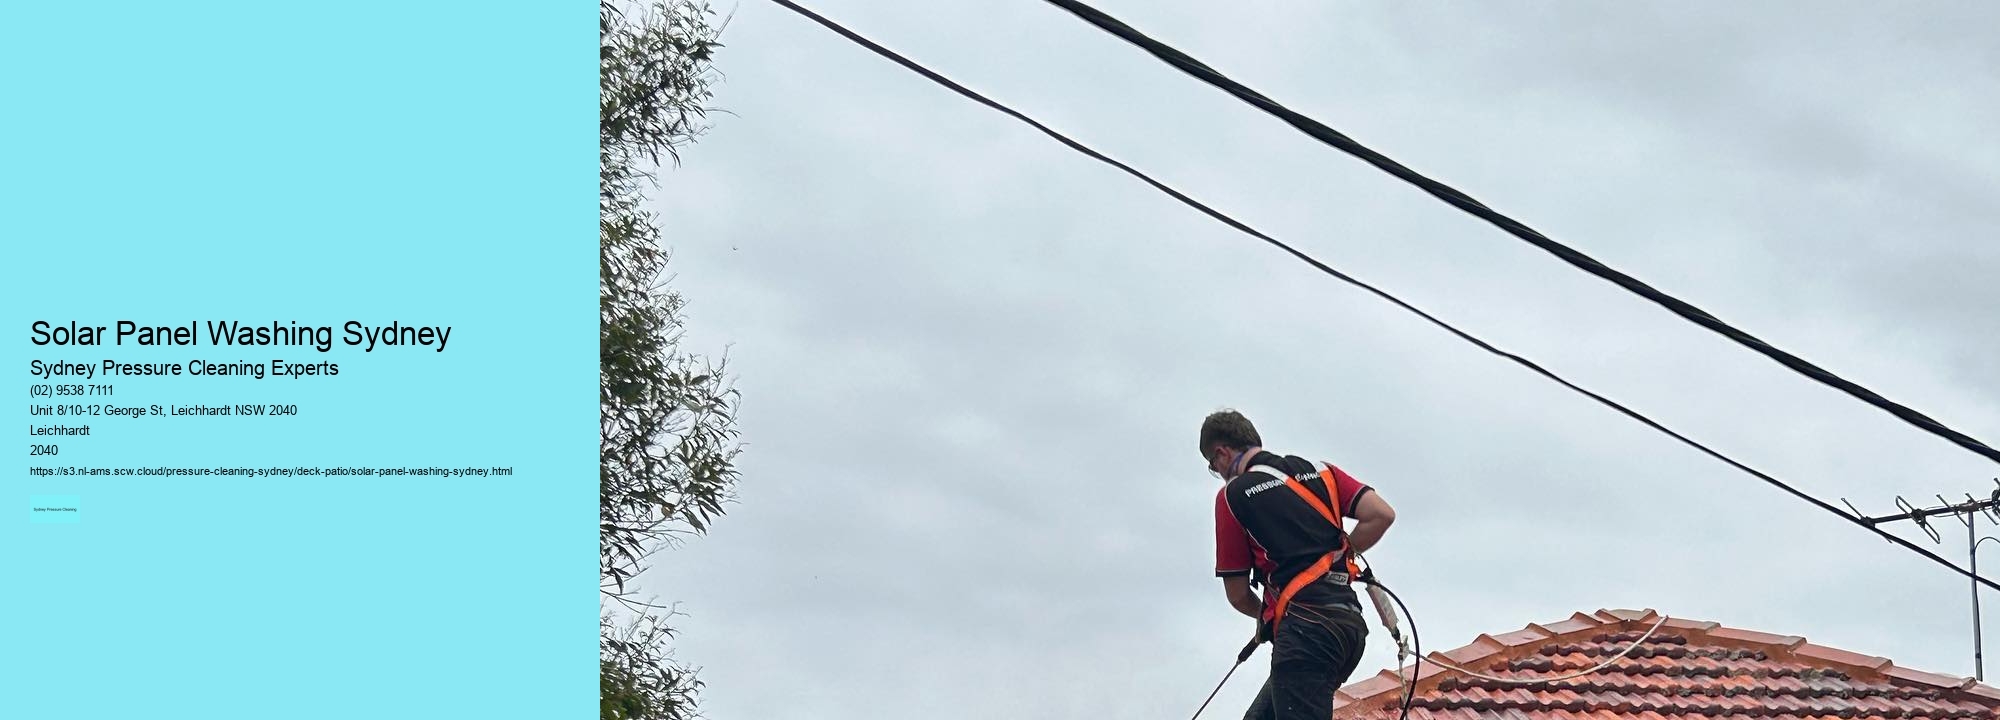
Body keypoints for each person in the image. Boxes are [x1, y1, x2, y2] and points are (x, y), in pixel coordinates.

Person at [1205, 409, 1396, 720]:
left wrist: (1269, 615)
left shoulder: (1232, 496)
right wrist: (1342, 556)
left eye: (1214, 467)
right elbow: (1381, 514)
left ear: (1222, 453)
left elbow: (1238, 594)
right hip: (1348, 627)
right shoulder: (1322, 472)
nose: (1219, 473)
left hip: (1306, 635)